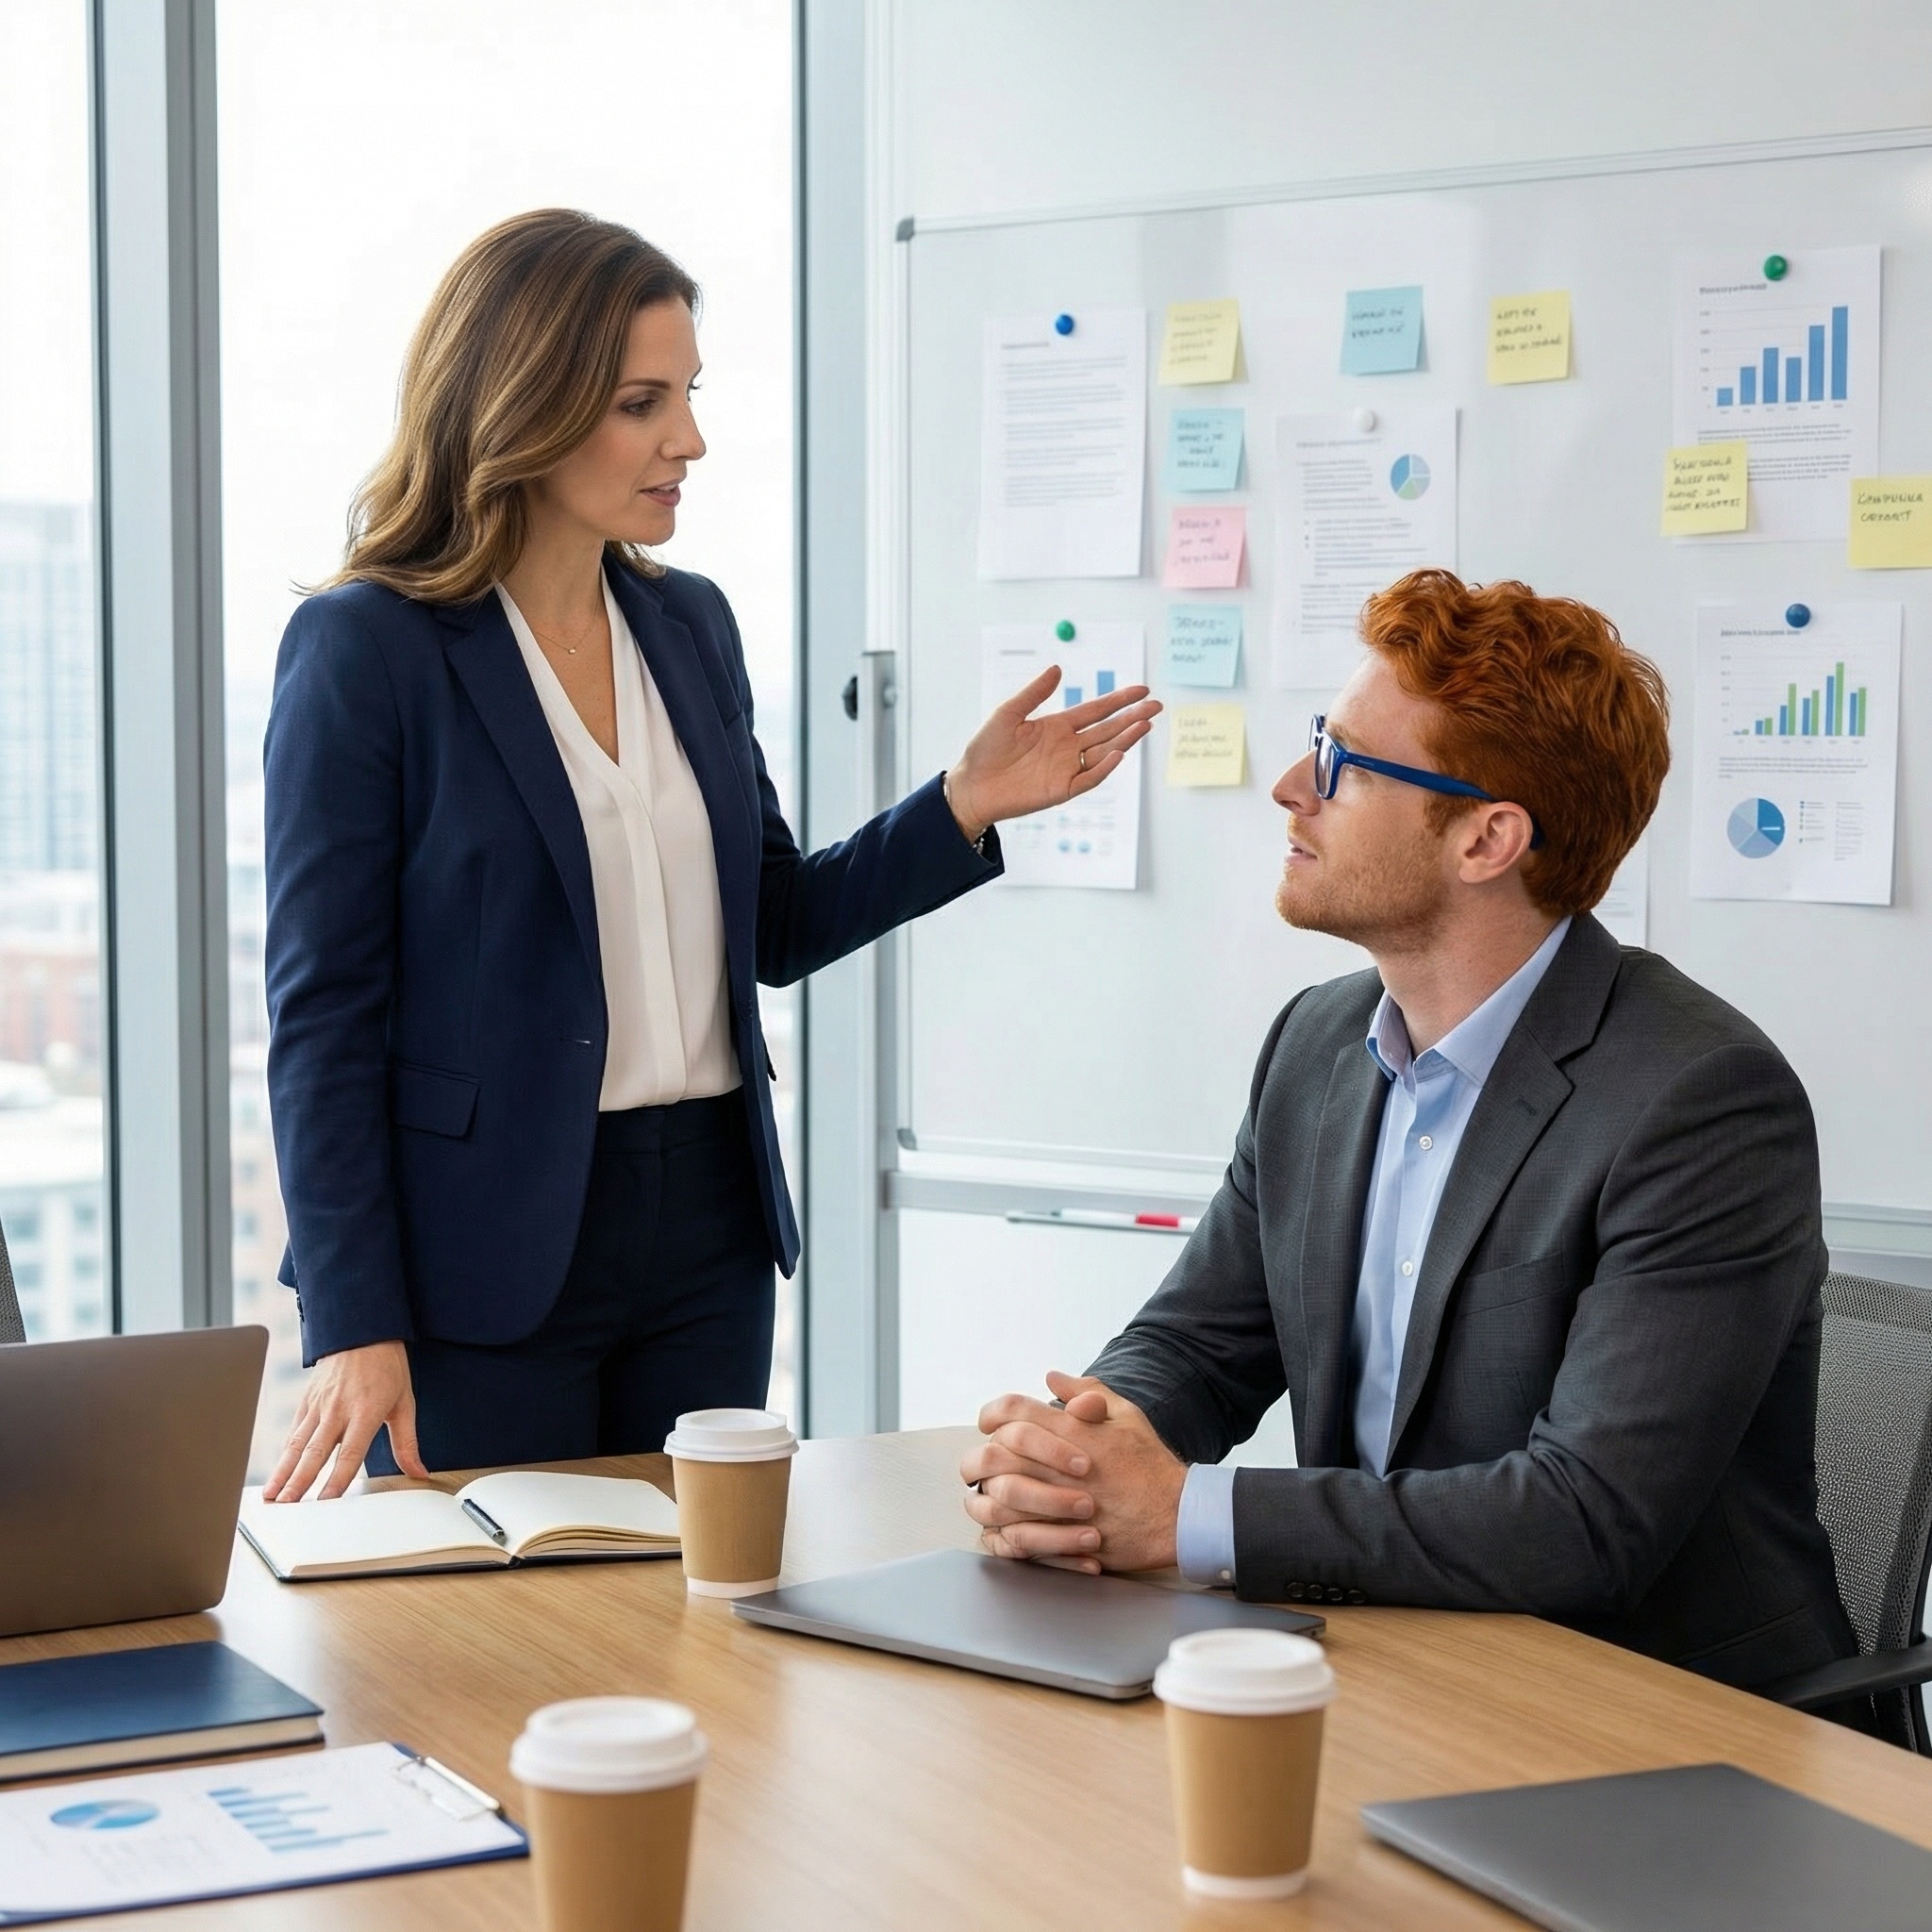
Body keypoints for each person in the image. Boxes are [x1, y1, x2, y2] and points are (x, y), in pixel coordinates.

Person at [263, 209, 1157, 1501]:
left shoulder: (688, 626)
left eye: (687, 396)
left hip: (706, 1237)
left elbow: (775, 921)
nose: (689, 439)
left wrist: (962, 803)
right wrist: (353, 1318)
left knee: (690, 1622)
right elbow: (323, 1016)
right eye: (643, 403)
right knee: (496, 1647)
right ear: (525, 405)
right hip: (484, 1253)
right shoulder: (370, 650)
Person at [962, 569, 1857, 1697]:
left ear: (1485, 838)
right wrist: (1077, 1451)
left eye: (1339, 763)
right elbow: (1197, 1342)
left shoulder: (1701, 1101)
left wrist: (1181, 1511)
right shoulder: (1317, 1044)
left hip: (1655, 1715)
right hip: (1397, 1660)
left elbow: (1584, 1518)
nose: (1291, 786)